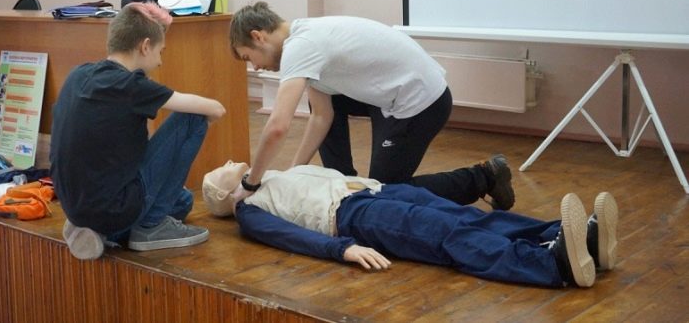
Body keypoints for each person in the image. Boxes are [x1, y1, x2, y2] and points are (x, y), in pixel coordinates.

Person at [228, 2, 514, 211]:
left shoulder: (300, 46)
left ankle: (485, 177)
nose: (255, 67)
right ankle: (343, 186)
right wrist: (293, 173)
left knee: (384, 196)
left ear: (258, 36)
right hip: (392, 96)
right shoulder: (305, 37)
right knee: (325, 103)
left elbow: (278, 126)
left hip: (423, 103)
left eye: (248, 58)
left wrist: (251, 182)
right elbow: (322, 116)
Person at [202, 161, 619, 288]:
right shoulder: (250, 210)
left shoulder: (267, 175)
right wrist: (343, 249)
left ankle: (571, 238)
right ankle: (552, 265)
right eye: (221, 171)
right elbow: (292, 237)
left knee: (469, 216)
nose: (228, 162)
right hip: (355, 216)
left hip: (378, 192)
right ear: (223, 195)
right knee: (448, 235)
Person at [50, 2, 226, 260]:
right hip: (115, 207)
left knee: (183, 201)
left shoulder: (78, 74)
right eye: (160, 51)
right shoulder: (132, 85)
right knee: (193, 118)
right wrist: (203, 124)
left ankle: (96, 229)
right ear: (145, 46)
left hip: (75, 205)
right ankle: (150, 226)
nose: (160, 61)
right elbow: (216, 109)